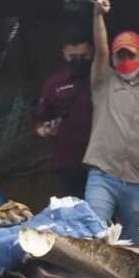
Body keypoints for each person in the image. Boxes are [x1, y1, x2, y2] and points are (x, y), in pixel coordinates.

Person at [82, 0, 139, 245]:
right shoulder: (104, 82)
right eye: (119, 54)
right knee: (94, 235)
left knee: (134, 244)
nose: (124, 59)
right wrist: (97, 16)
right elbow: (101, 49)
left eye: (130, 54)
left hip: (138, 180)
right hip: (104, 174)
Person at [34, 27, 94, 198]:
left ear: (92, 52)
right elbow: (39, 121)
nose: (79, 61)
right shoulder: (55, 83)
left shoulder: (102, 79)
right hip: (68, 161)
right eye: (73, 58)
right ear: (64, 54)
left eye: (84, 57)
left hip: (100, 163)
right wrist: (45, 130)